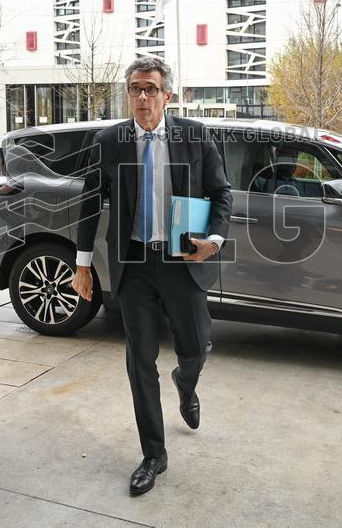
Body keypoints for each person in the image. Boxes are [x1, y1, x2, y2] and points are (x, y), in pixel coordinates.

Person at [71, 56, 233, 496]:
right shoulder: (110, 141)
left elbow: (221, 193)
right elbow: (89, 201)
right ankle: (153, 455)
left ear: (167, 95)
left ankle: (186, 382)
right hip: (135, 264)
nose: (142, 97)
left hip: (183, 260)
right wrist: (82, 265)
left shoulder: (194, 136)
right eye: (135, 89)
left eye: (151, 89)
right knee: (139, 361)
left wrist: (214, 240)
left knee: (195, 347)